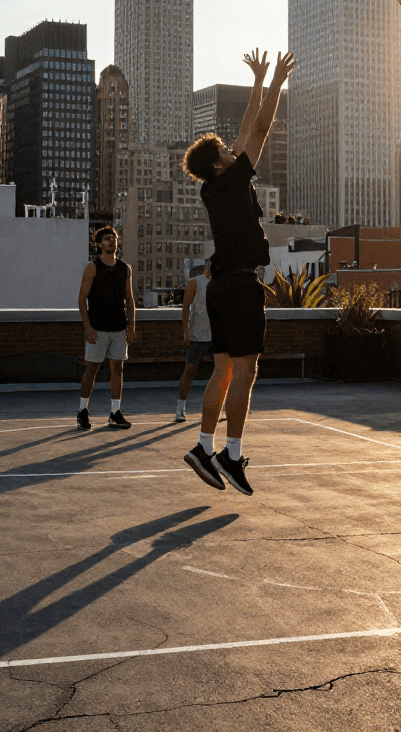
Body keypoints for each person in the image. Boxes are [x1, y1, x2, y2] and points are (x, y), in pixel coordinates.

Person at [180, 48, 296, 495]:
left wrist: (257, 83)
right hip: (241, 286)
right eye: (226, 150)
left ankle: (204, 447)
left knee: (224, 371)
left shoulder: (217, 188)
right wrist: (277, 83)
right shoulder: (230, 180)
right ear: (217, 163)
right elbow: (260, 129)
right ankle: (228, 454)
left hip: (219, 288)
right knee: (246, 373)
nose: (234, 148)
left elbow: (247, 129)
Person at [76, 226, 135, 430]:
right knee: (91, 368)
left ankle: (114, 412)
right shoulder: (93, 267)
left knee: (117, 368)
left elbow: (129, 298)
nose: (113, 241)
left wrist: (131, 325)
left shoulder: (125, 268)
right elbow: (82, 299)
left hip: (119, 328)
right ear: (99, 244)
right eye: (108, 238)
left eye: (115, 238)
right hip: (98, 327)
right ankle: (83, 410)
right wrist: (88, 327)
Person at [175, 260, 215, 423]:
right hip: (197, 336)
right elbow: (185, 307)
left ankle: (217, 406)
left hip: (217, 337)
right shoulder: (195, 283)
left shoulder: (222, 283)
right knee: (190, 370)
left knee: (222, 372)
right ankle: (180, 408)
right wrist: (186, 331)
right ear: (208, 264)